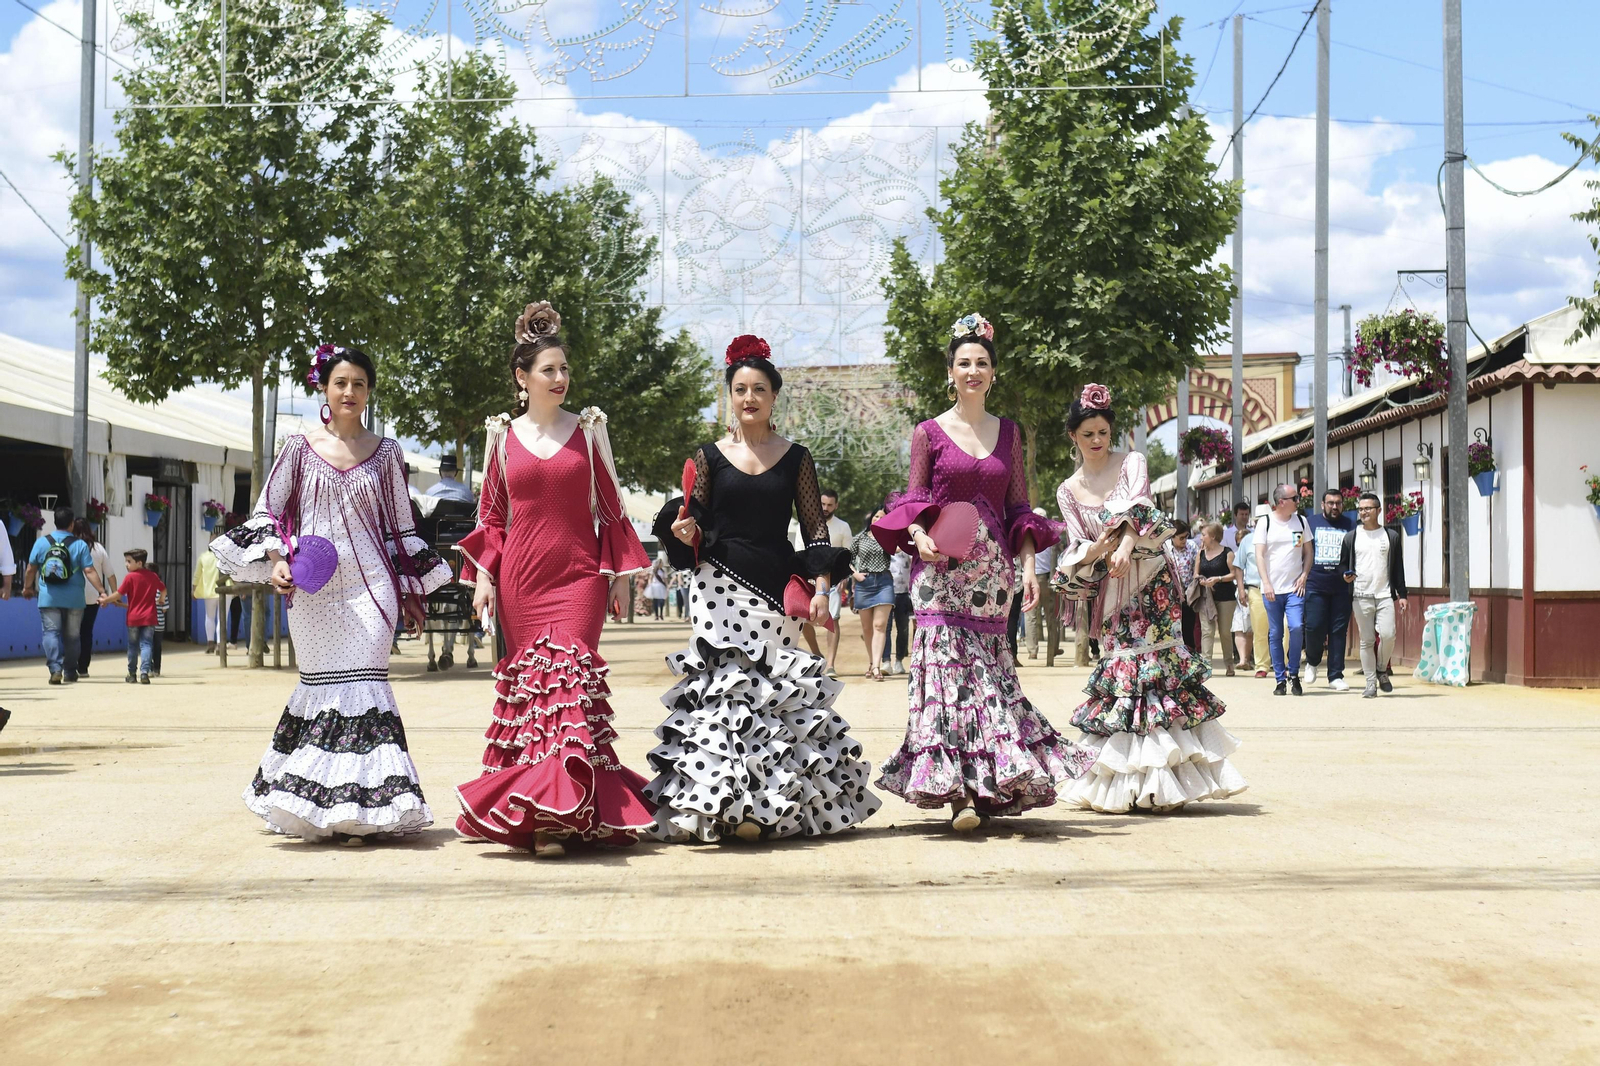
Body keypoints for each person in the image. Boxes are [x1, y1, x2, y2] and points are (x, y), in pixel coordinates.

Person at [211, 345, 452, 843]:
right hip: (314, 588)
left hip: (373, 590)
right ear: (324, 386)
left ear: (369, 392)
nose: (349, 392)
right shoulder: (298, 447)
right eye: (341, 382)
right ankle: (320, 805)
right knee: (320, 687)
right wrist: (277, 562)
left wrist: (410, 592)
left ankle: (363, 809)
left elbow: (400, 529)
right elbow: (267, 512)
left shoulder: (387, 454)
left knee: (366, 683)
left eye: (359, 384)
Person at [649, 334, 877, 843]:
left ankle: (769, 805)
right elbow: (693, 521)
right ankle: (719, 805)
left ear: (774, 396)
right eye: (739, 389)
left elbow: (815, 529)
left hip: (776, 586)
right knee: (722, 692)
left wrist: (821, 587)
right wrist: (684, 531)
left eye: (758, 389)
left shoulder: (798, 457)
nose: (748, 398)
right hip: (719, 585)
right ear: (728, 395)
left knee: (772, 694)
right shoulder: (708, 456)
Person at [452, 304, 656, 857]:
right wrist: (483, 579)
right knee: (537, 699)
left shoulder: (589, 433)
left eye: (565, 369)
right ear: (523, 378)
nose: (561, 379)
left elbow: (611, 510)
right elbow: (491, 517)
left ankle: (566, 814)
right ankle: (547, 813)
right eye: (549, 370)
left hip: (579, 577)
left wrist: (618, 576)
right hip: (521, 579)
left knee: (566, 680)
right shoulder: (502, 436)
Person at [873, 313, 1085, 832]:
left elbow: (1020, 509)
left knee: (988, 680)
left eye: (982, 363)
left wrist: (1031, 567)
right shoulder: (927, 432)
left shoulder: (1010, 434)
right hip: (940, 575)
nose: (973, 370)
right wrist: (919, 536)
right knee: (946, 678)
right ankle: (957, 793)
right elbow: (917, 500)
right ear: (950, 371)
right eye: (964, 362)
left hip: (994, 581)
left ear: (994, 373)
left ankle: (989, 785)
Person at [1052, 383, 1246, 812]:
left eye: (1103, 432)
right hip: (1110, 591)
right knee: (1122, 678)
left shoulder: (1132, 462)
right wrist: (1102, 551)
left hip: (1153, 582)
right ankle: (1122, 783)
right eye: (1088, 434)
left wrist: (1124, 545)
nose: (1097, 440)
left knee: (1158, 673)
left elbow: (1139, 507)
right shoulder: (1068, 491)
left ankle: (1169, 782)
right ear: (1073, 437)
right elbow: (1078, 542)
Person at [22, 506, 108, 685]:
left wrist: (27, 588)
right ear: (71, 524)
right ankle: (70, 671)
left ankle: (55, 669)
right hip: (75, 599)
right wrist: (102, 591)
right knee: (73, 636)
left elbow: (31, 568)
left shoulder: (42, 542)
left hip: (49, 597)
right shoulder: (80, 545)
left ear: (55, 522)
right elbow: (89, 570)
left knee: (51, 633)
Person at [1341, 491, 1409, 698]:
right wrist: (1345, 575)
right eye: (1360, 509)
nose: (1363, 512)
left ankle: (1381, 669)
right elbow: (1343, 564)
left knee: (1388, 635)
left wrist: (1403, 594)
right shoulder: (1352, 537)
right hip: (1360, 595)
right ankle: (1371, 683)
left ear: (1379, 510)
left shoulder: (1391, 536)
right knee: (1367, 640)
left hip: (1384, 594)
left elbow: (1398, 568)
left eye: (1367, 508)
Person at [1254, 483, 1314, 696]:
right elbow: (1259, 555)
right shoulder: (1265, 523)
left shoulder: (1301, 521)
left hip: (1294, 588)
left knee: (1297, 627)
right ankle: (1280, 679)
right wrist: (1266, 582)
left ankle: (1294, 674)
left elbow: (1308, 552)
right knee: (1276, 633)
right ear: (1281, 502)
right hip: (1271, 589)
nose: (1299, 501)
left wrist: (1305, 575)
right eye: (1294, 498)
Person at [1302, 487, 1355, 691]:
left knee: (1338, 631)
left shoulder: (1351, 525)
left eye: (1338, 503)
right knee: (1314, 627)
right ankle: (1313, 662)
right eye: (1330, 503)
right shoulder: (1309, 523)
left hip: (1342, 588)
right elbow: (1299, 549)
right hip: (1315, 584)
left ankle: (1335, 675)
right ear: (1323, 504)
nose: (1335, 506)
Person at [100, 547, 166, 683]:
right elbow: (163, 588)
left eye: (129, 561)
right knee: (147, 645)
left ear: (139, 563)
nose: (126, 564)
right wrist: (161, 599)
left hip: (134, 618)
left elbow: (119, 594)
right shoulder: (153, 576)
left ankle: (131, 673)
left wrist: (105, 600)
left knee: (133, 646)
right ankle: (144, 673)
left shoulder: (130, 577)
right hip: (149, 617)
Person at [849, 507, 895, 681]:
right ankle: (871, 661)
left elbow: (899, 548)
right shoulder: (859, 538)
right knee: (867, 629)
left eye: (882, 517)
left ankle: (877, 666)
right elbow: (847, 559)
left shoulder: (889, 536)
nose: (878, 519)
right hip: (864, 583)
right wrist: (855, 574)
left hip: (884, 582)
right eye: (876, 516)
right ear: (871, 517)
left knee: (879, 626)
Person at [1194, 521, 1241, 677]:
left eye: (1204, 535)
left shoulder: (1227, 553)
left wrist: (1218, 578)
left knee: (1224, 632)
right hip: (1206, 598)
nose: (1201, 538)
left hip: (1226, 597)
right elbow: (1195, 574)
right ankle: (1206, 666)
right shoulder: (1200, 554)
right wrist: (1201, 580)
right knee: (1207, 631)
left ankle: (1229, 663)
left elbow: (1234, 573)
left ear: (1213, 536)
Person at [70, 519, 112, 676]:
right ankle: (83, 667)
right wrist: (110, 593)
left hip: (72, 596)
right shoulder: (98, 548)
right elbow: (109, 572)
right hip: (93, 596)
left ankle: (70, 664)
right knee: (86, 632)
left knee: (71, 632)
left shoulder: (70, 546)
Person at [1026, 508, 1062, 666]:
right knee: (1051, 616)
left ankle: (1032, 650)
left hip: (1032, 577)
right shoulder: (1052, 535)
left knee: (1031, 616)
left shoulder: (1028, 534)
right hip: (1049, 578)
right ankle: (1052, 649)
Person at [1167, 518, 1199, 653]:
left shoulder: (1192, 547)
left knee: (1188, 628)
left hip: (1189, 594)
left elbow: (1197, 566)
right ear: (1172, 537)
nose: (1184, 541)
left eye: (1186, 537)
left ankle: (1190, 655)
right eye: (1181, 538)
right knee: (1173, 629)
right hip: (1171, 596)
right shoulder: (1166, 549)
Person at [881, 547, 912, 675]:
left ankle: (899, 660)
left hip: (904, 594)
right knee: (885, 628)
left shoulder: (909, 547)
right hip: (886, 593)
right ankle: (886, 661)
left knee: (903, 629)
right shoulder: (884, 548)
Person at [192, 546, 221, 653]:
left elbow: (197, 575)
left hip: (209, 591)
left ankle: (210, 643)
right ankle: (220, 645)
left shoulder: (203, 557)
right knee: (222, 618)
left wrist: (194, 589)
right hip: (225, 590)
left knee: (209, 617)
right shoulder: (225, 556)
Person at [645, 554, 670, 621]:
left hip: (661, 586)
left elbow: (665, 579)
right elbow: (650, 578)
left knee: (662, 601)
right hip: (655, 586)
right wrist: (650, 585)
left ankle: (661, 614)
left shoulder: (663, 571)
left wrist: (667, 586)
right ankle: (656, 615)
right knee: (655, 601)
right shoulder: (653, 571)